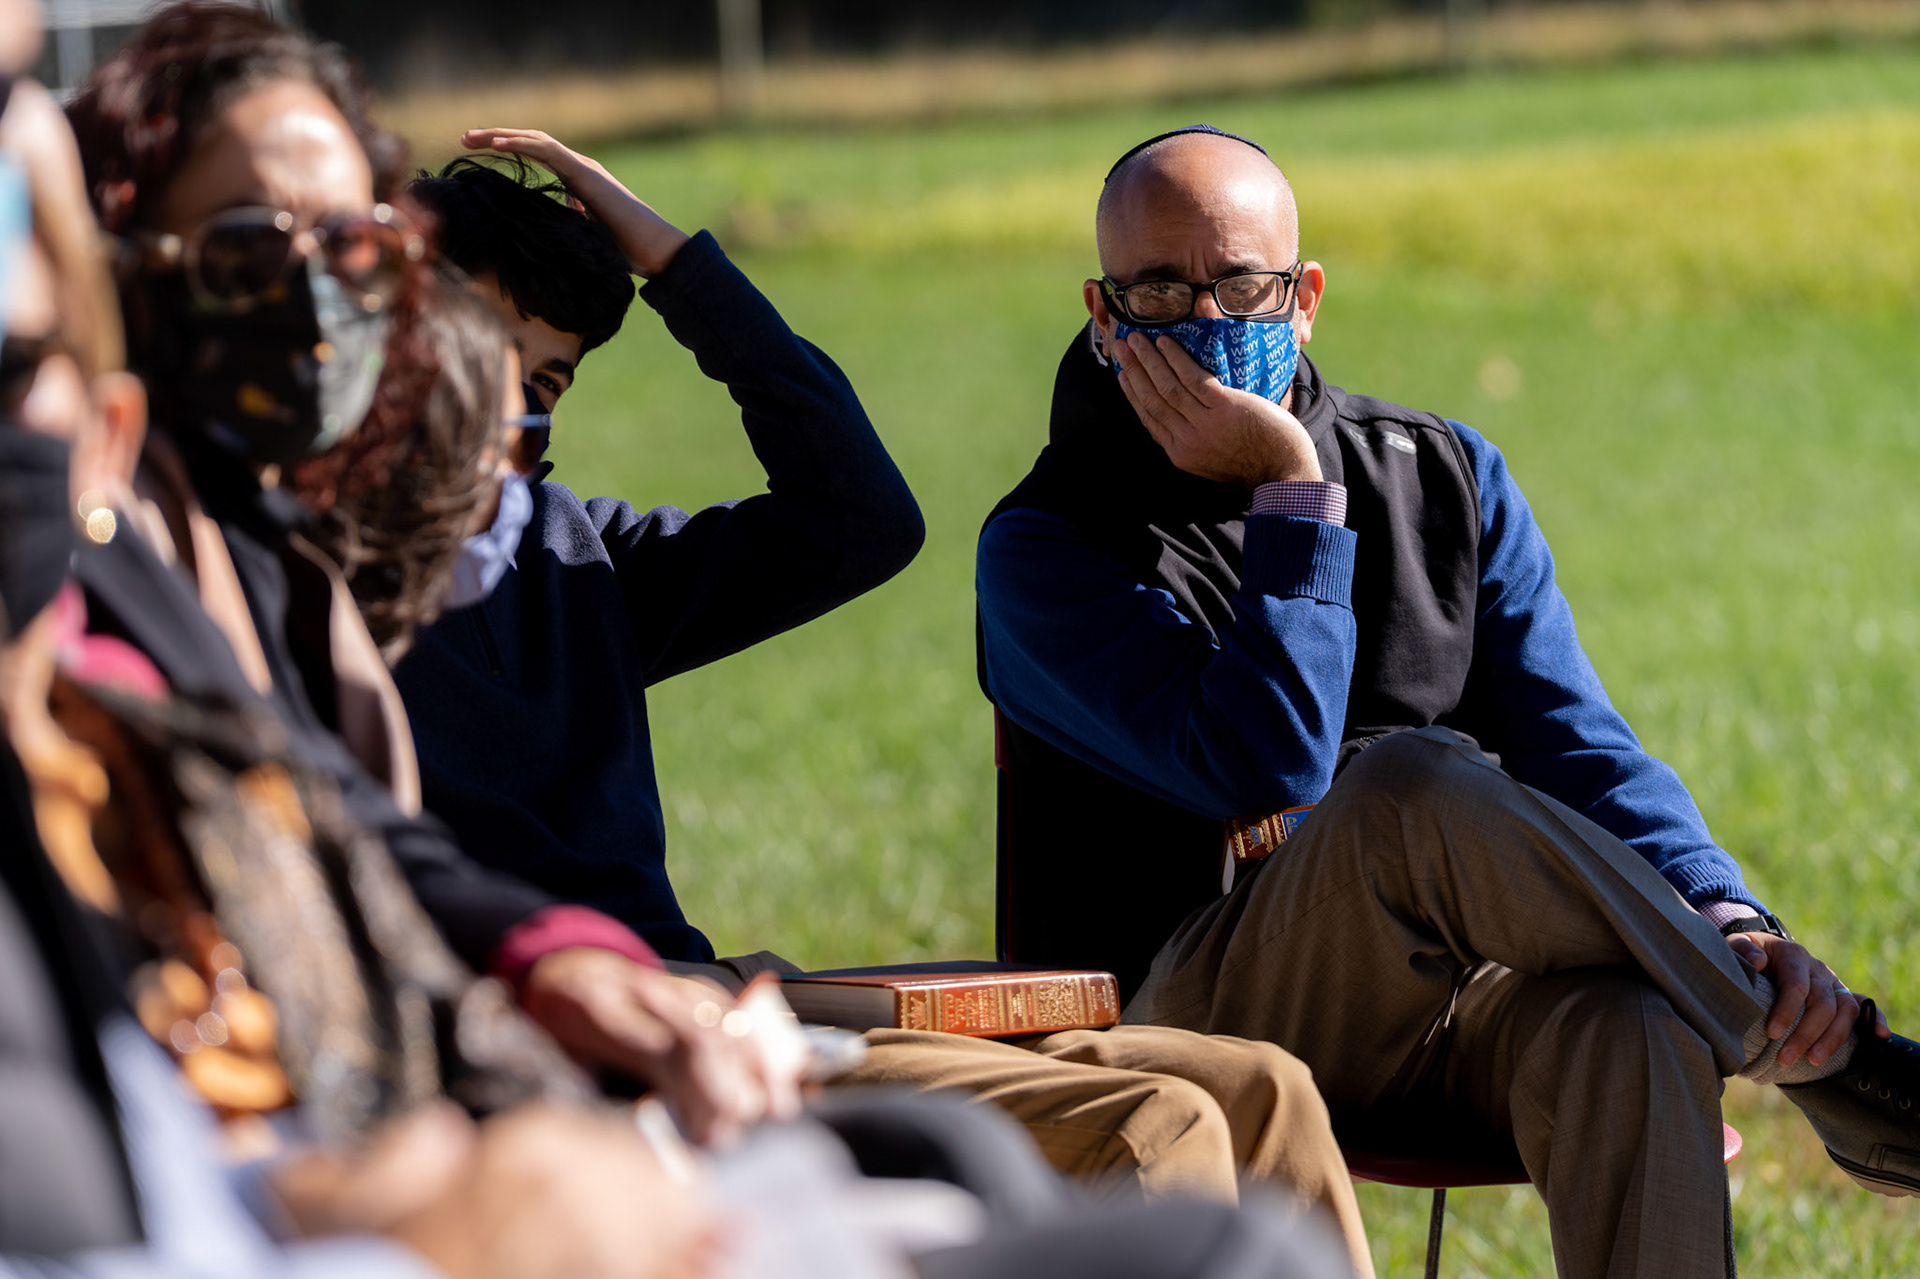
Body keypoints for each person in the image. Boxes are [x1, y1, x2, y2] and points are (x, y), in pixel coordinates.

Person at [391, 134, 1374, 1268]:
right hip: (588, 1037)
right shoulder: (295, 589)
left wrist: (678, 268)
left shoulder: (578, 562)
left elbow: (858, 519)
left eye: (546, 381)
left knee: (1263, 1086)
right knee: (1157, 1120)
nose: (510, 408)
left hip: (728, 1000)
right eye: (484, 356)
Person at [974, 123, 1920, 1277]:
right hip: (1186, 1023)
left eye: (1243, 286)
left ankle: (1745, 985)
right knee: (1407, 787)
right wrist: (1292, 493)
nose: (1206, 323)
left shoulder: (1442, 476)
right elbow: (1263, 762)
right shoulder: (1046, 546)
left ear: (1304, 300)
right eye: (1162, 292)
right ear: (1103, 312)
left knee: (1626, 1028)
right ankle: (1813, 1051)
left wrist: (1730, 913)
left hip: (1447, 1004)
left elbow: (1582, 752)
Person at [63, 0, 806, 1148]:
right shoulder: (110, 539)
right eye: (251, 245)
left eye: (349, 249)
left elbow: (856, 519)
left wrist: (567, 958)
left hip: (592, 1012)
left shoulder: (312, 543)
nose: (312, 298)